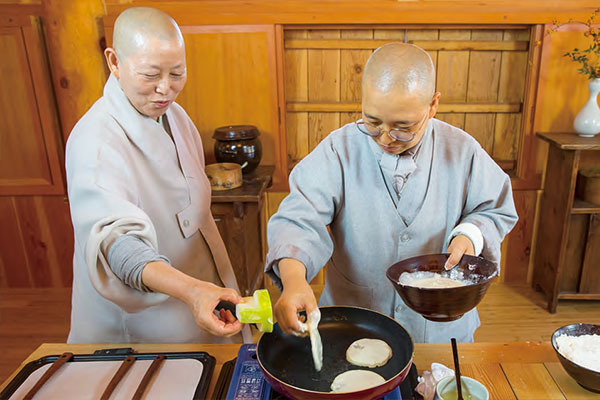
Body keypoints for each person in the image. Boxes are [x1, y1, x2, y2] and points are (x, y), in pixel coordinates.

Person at [265, 43, 518, 343]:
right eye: (372, 122)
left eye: (403, 127)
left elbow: (495, 209)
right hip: (354, 323)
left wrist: (471, 235)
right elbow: (299, 218)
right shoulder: (339, 149)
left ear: (433, 105)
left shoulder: (462, 150)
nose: (385, 138)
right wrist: (294, 282)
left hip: (438, 329)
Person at [65, 7, 250, 343]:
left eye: (177, 73)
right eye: (150, 75)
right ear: (115, 62)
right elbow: (118, 245)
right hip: (141, 319)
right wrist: (192, 290)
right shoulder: (95, 141)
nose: (165, 89)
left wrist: (199, 290)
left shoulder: (176, 118)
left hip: (199, 293)